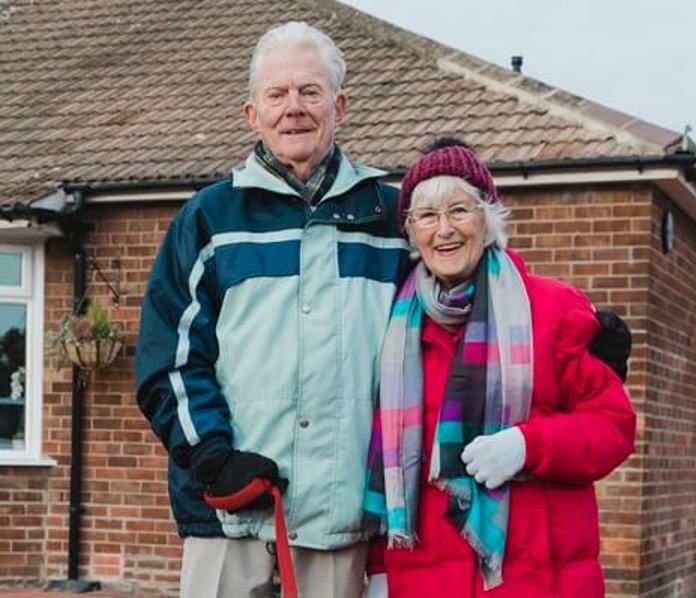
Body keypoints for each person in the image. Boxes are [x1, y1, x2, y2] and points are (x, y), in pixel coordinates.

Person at [135, 21, 632, 598]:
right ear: (252, 113)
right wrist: (212, 456)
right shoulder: (208, 220)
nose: (293, 108)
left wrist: (583, 331)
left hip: (345, 523)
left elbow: (472, 273)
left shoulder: (390, 218)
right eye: (277, 94)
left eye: (310, 92)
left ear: (340, 106)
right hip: (233, 515)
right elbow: (168, 359)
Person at [363, 139, 636, 597]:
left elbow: (613, 428)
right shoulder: (394, 330)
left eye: (459, 210)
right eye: (426, 216)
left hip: (537, 583)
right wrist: (381, 570)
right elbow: (381, 460)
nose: (443, 229)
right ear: (412, 231)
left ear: (488, 218)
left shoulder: (552, 309)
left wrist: (528, 445)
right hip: (424, 584)